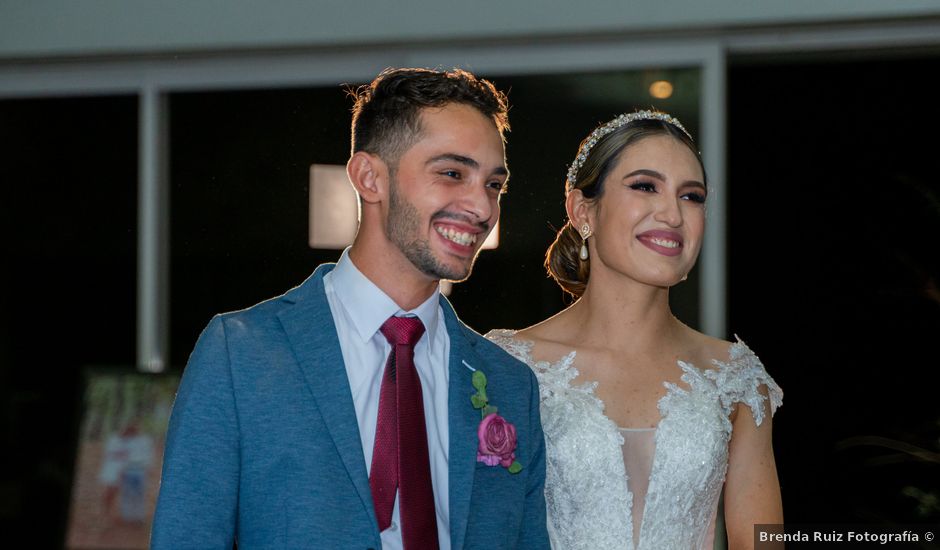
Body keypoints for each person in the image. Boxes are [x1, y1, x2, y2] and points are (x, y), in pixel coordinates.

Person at [152, 67, 549, 550]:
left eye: (494, 185)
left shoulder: (510, 384)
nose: (483, 208)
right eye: (451, 174)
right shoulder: (242, 355)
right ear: (369, 177)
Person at [486, 110, 783, 549]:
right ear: (583, 209)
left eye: (692, 196)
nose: (672, 214)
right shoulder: (508, 366)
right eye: (646, 186)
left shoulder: (736, 378)